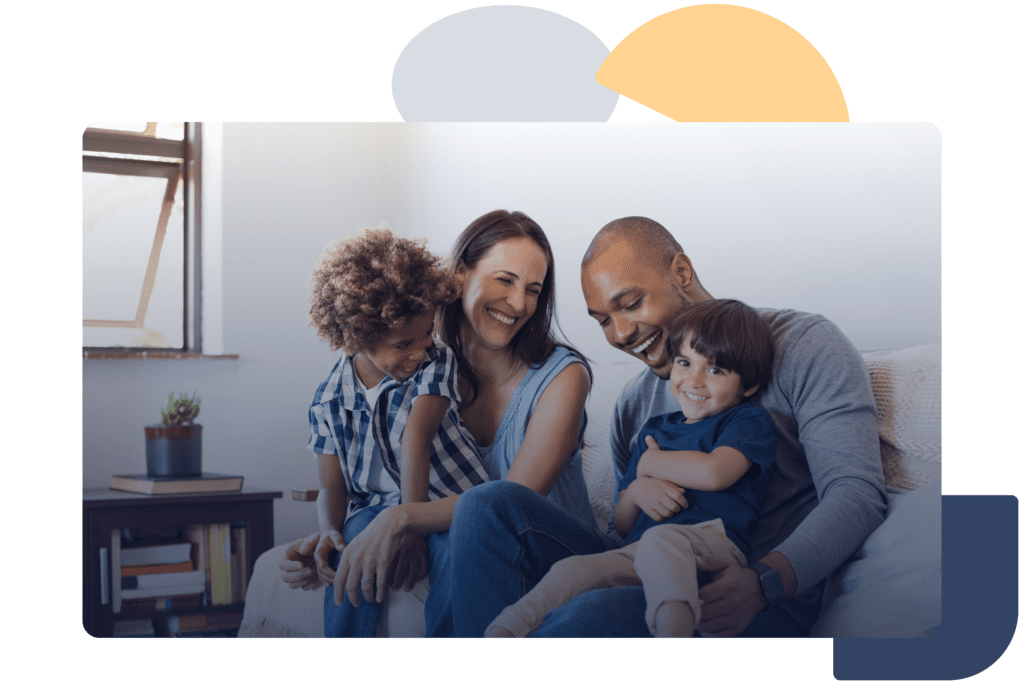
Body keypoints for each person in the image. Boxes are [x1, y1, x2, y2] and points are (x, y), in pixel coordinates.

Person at [448, 216, 888, 638]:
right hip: (643, 566)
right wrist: (636, 491)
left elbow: (857, 493)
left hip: (739, 599)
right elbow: (625, 527)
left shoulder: (803, 345)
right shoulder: (635, 404)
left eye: (631, 303)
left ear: (680, 271)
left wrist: (763, 582)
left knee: (587, 615)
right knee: (487, 504)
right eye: (602, 320)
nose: (620, 334)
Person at [280, 210, 594, 637]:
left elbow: (506, 505)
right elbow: (377, 473)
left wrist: (402, 518)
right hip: (465, 537)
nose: (519, 303)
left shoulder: (562, 375)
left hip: (547, 548)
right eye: (505, 280)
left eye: (533, 290)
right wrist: (332, 536)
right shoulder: (419, 366)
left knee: (476, 518)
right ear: (460, 274)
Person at [485, 299, 777, 638]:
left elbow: (715, 473)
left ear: (749, 386)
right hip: (640, 551)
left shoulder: (746, 420)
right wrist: (638, 488)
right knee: (574, 569)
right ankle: (501, 633)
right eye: (684, 363)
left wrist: (651, 464)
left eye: (715, 370)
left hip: (713, 545)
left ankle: (674, 638)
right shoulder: (654, 430)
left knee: (661, 541)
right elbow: (623, 524)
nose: (694, 381)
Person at [301, 227, 491, 637]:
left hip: (449, 505)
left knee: (455, 553)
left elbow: (416, 438)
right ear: (358, 337)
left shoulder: (436, 362)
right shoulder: (327, 401)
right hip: (377, 510)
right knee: (353, 537)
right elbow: (332, 489)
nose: (420, 351)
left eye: (427, 334)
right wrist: (327, 531)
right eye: (404, 343)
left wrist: (409, 526)